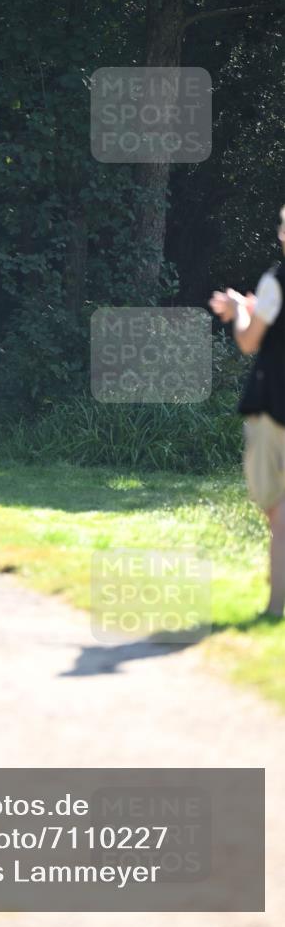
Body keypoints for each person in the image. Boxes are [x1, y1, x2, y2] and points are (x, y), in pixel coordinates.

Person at [209, 203, 285, 619]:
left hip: (275, 406)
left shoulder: (277, 280)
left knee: (275, 505)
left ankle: (277, 607)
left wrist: (240, 311)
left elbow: (249, 342)